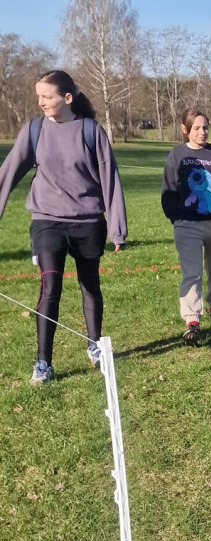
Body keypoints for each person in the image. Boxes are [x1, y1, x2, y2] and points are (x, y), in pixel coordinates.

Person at [0, 70, 127, 385]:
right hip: (47, 220)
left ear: (67, 98)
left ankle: (94, 345)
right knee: (50, 287)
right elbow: (9, 170)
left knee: (90, 285)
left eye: (47, 96)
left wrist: (117, 228)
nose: (41, 102)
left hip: (87, 222)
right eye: (39, 96)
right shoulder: (34, 130)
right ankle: (43, 362)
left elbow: (110, 180)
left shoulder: (91, 131)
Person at [161, 107, 211, 346]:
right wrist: (177, 218)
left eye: (205, 127)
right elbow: (168, 189)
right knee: (192, 273)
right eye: (196, 128)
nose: (202, 132)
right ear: (185, 129)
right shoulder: (177, 154)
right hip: (188, 226)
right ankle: (192, 320)